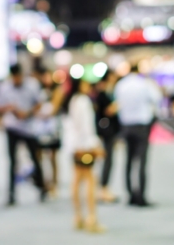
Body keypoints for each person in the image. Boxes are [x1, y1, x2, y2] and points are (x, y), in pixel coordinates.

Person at [0, 64, 47, 206]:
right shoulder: (4, 87)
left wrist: (27, 112)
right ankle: (11, 194)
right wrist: (9, 108)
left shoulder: (32, 85)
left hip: (29, 127)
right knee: (12, 161)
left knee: (35, 158)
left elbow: (39, 103)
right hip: (12, 127)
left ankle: (42, 188)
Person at [114, 64, 161, 207]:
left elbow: (117, 103)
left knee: (128, 161)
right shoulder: (144, 84)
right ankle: (141, 195)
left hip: (126, 125)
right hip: (141, 125)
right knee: (141, 161)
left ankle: (130, 194)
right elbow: (157, 98)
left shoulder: (121, 85)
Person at [67, 78, 105, 233]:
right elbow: (87, 127)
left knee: (77, 180)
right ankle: (92, 218)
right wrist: (94, 145)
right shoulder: (83, 101)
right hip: (84, 146)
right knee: (90, 180)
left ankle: (78, 217)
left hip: (75, 146)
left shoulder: (73, 100)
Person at [34, 68, 65, 197]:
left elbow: (54, 108)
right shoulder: (38, 91)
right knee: (39, 155)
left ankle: (54, 183)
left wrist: (43, 113)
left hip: (53, 127)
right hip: (40, 128)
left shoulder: (57, 91)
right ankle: (42, 182)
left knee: (53, 156)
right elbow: (34, 107)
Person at [94, 70, 120, 203]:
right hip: (105, 131)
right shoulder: (103, 93)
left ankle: (104, 188)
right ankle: (103, 189)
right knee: (107, 160)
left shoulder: (108, 92)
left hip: (109, 131)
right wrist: (118, 105)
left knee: (108, 160)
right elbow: (107, 111)